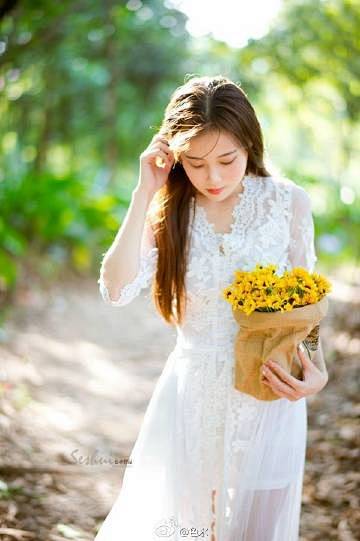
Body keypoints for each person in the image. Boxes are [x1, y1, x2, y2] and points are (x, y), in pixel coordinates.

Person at [95, 75, 328, 541]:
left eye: (227, 159)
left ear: (249, 144)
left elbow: (307, 309)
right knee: (187, 530)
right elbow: (116, 290)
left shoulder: (288, 203)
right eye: (196, 163)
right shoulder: (168, 209)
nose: (214, 177)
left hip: (267, 393)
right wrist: (144, 192)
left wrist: (315, 369)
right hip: (191, 395)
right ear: (176, 158)